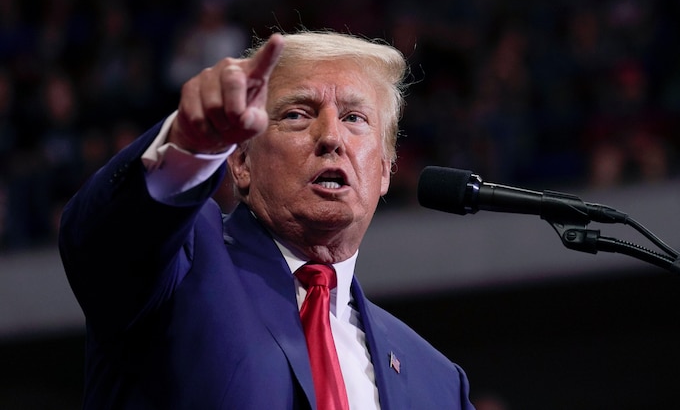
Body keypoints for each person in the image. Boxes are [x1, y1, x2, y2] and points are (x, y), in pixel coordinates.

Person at [58, 31, 475, 409]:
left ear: (385, 170)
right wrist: (187, 147)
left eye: (354, 118)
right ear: (239, 161)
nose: (331, 137)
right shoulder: (182, 261)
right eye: (297, 114)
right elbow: (103, 242)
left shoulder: (437, 382)